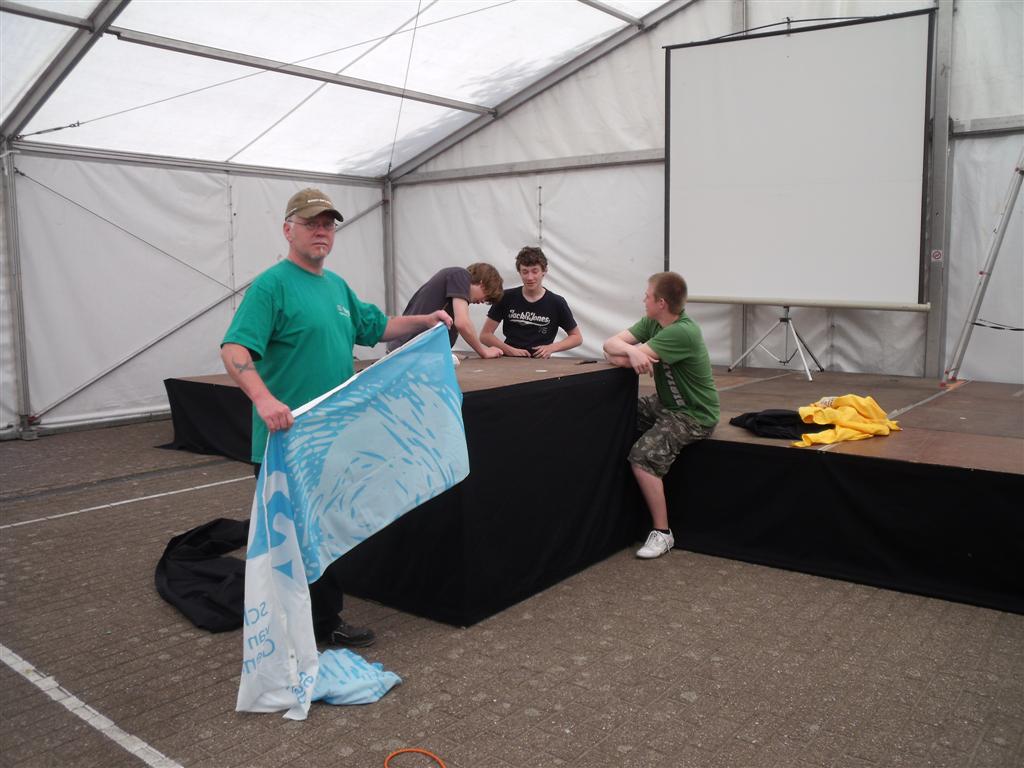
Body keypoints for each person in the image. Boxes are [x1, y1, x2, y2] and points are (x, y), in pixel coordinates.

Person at [220, 188, 452, 647]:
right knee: (294, 537)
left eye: (328, 224)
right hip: (286, 441)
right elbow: (234, 348)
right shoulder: (271, 286)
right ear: (288, 230)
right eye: (311, 223)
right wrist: (264, 400)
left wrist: (424, 320)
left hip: (332, 436)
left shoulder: (337, 287)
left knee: (323, 531)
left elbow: (376, 327)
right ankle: (300, 627)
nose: (321, 231)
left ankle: (322, 619)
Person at [602, 272, 719, 559]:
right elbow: (610, 346)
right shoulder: (652, 322)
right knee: (616, 415)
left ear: (661, 303)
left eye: (647, 295)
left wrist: (627, 354)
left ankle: (663, 533)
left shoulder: (682, 332)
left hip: (694, 413)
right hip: (666, 404)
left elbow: (619, 357)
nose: (644, 299)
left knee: (642, 457)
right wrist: (632, 352)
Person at [480, 246, 582, 358]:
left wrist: (551, 348)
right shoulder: (505, 297)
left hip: (540, 362)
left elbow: (576, 337)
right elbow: (485, 335)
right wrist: (510, 350)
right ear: (519, 272)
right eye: (525, 272)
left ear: (544, 271)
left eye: (535, 271)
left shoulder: (557, 302)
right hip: (509, 359)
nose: (530, 277)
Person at [387, 264, 504, 358]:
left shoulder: (453, 289)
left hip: (412, 350)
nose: (483, 301)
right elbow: (462, 323)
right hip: (408, 351)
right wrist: (483, 351)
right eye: (486, 296)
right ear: (482, 283)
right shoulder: (461, 275)